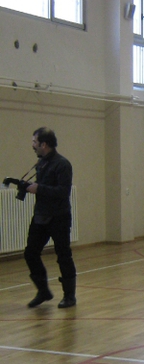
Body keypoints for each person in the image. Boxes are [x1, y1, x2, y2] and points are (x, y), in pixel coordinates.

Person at [23, 127, 77, 309]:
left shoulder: (62, 164)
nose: (33, 146)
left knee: (63, 255)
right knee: (30, 253)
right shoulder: (41, 163)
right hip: (41, 216)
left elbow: (63, 192)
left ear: (44, 144)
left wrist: (39, 188)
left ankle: (69, 296)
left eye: (35, 142)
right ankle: (43, 291)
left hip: (59, 217)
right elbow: (44, 187)